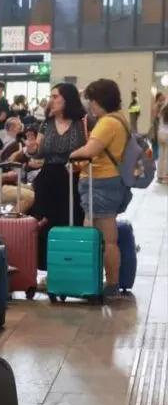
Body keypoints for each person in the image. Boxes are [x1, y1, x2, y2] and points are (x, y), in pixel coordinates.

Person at [71, 78, 134, 296]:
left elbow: (89, 151)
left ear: (99, 100)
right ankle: (106, 281)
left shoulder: (107, 123)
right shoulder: (121, 119)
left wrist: (71, 155)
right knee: (103, 237)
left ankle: (111, 283)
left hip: (101, 184)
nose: (90, 106)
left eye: (92, 101)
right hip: (112, 181)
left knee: (106, 239)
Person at [27, 83, 86, 270]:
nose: (51, 101)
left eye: (55, 96)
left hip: (72, 178)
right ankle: (47, 267)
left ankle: (71, 265)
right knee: (46, 222)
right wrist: (31, 151)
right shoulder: (46, 124)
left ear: (67, 99)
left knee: (72, 219)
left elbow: (89, 148)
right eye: (51, 97)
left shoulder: (81, 122)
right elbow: (38, 152)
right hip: (49, 178)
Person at [157, 100, 168, 184]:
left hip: (160, 133)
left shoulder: (162, 109)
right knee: (166, 157)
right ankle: (165, 177)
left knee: (161, 156)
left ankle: (159, 176)